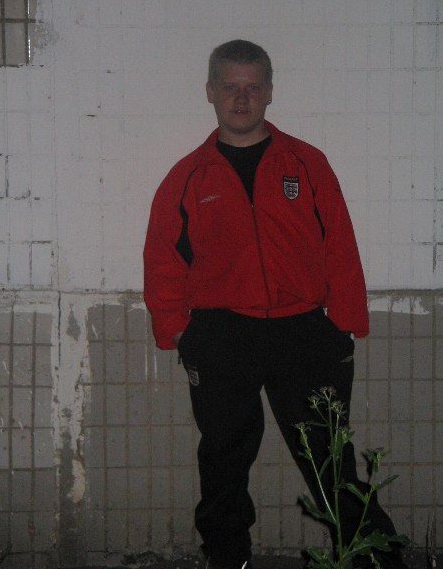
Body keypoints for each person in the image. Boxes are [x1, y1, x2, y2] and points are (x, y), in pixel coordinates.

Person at [143, 40, 406, 569]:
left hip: (303, 333)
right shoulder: (188, 175)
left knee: (330, 462)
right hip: (222, 335)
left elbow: (339, 244)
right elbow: (162, 257)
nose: (241, 98)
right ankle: (227, 558)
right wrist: (178, 331)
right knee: (223, 460)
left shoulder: (306, 164)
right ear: (210, 92)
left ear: (269, 92)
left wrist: (344, 324)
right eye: (230, 87)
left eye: (253, 87)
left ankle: (372, 559)